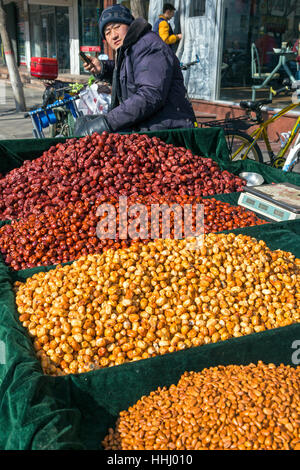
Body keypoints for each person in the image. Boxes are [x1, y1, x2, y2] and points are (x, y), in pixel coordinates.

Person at [74, 4, 196, 137]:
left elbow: (150, 95)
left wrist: (107, 122)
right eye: (108, 32)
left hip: (168, 131)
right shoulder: (130, 48)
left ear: (130, 25)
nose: (113, 35)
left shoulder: (148, 45)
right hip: (148, 126)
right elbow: (131, 71)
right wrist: (103, 67)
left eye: (117, 27)